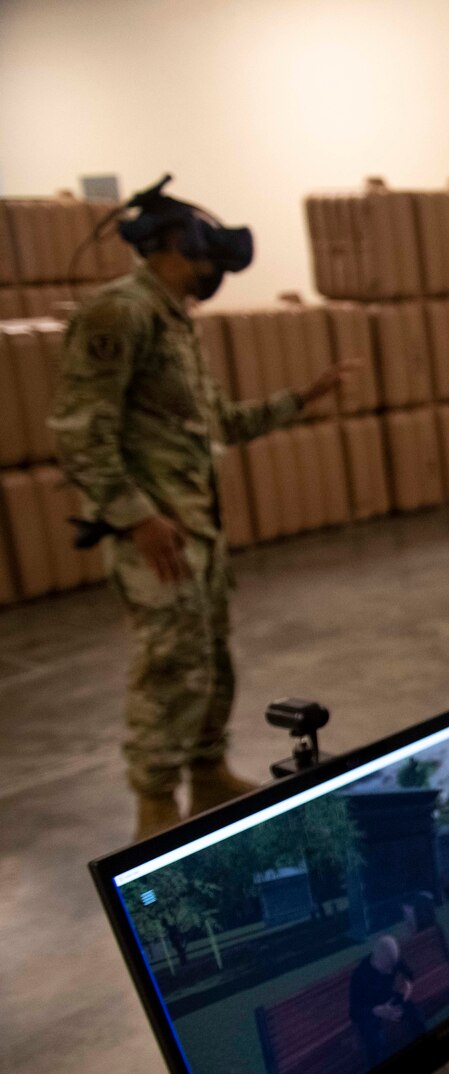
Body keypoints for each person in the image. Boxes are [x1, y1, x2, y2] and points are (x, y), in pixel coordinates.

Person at [50, 180, 356, 840]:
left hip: (195, 529)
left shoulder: (173, 322)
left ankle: (208, 772)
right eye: (203, 260)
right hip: (155, 534)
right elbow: (79, 431)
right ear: (171, 248)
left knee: (209, 660)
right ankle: (155, 808)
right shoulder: (117, 315)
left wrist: (302, 398)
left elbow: (219, 422)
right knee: (168, 667)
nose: (209, 274)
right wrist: (135, 515)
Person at [348, 935, 419, 1064]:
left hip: (388, 999)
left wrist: (407, 987)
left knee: (414, 1012)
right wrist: (376, 1011)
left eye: (393, 966)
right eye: (387, 967)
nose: (390, 971)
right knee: (376, 1042)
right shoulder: (360, 975)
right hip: (369, 1009)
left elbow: (409, 974)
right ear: (376, 960)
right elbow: (354, 1011)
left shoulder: (392, 959)